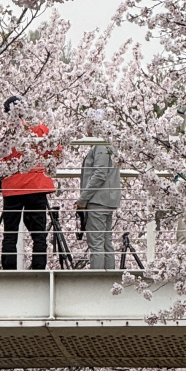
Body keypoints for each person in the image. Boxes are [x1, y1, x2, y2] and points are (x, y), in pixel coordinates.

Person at [0, 96, 60, 270]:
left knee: (10, 232)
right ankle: (39, 267)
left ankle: (8, 269)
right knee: (38, 233)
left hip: (12, 186)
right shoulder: (39, 130)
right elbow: (56, 153)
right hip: (36, 186)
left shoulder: (4, 133)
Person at [75, 115, 121, 270]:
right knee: (106, 242)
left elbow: (99, 174)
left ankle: (97, 278)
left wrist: (83, 198)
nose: (86, 130)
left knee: (96, 243)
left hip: (98, 200)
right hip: (108, 200)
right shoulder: (109, 145)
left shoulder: (100, 146)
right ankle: (108, 278)